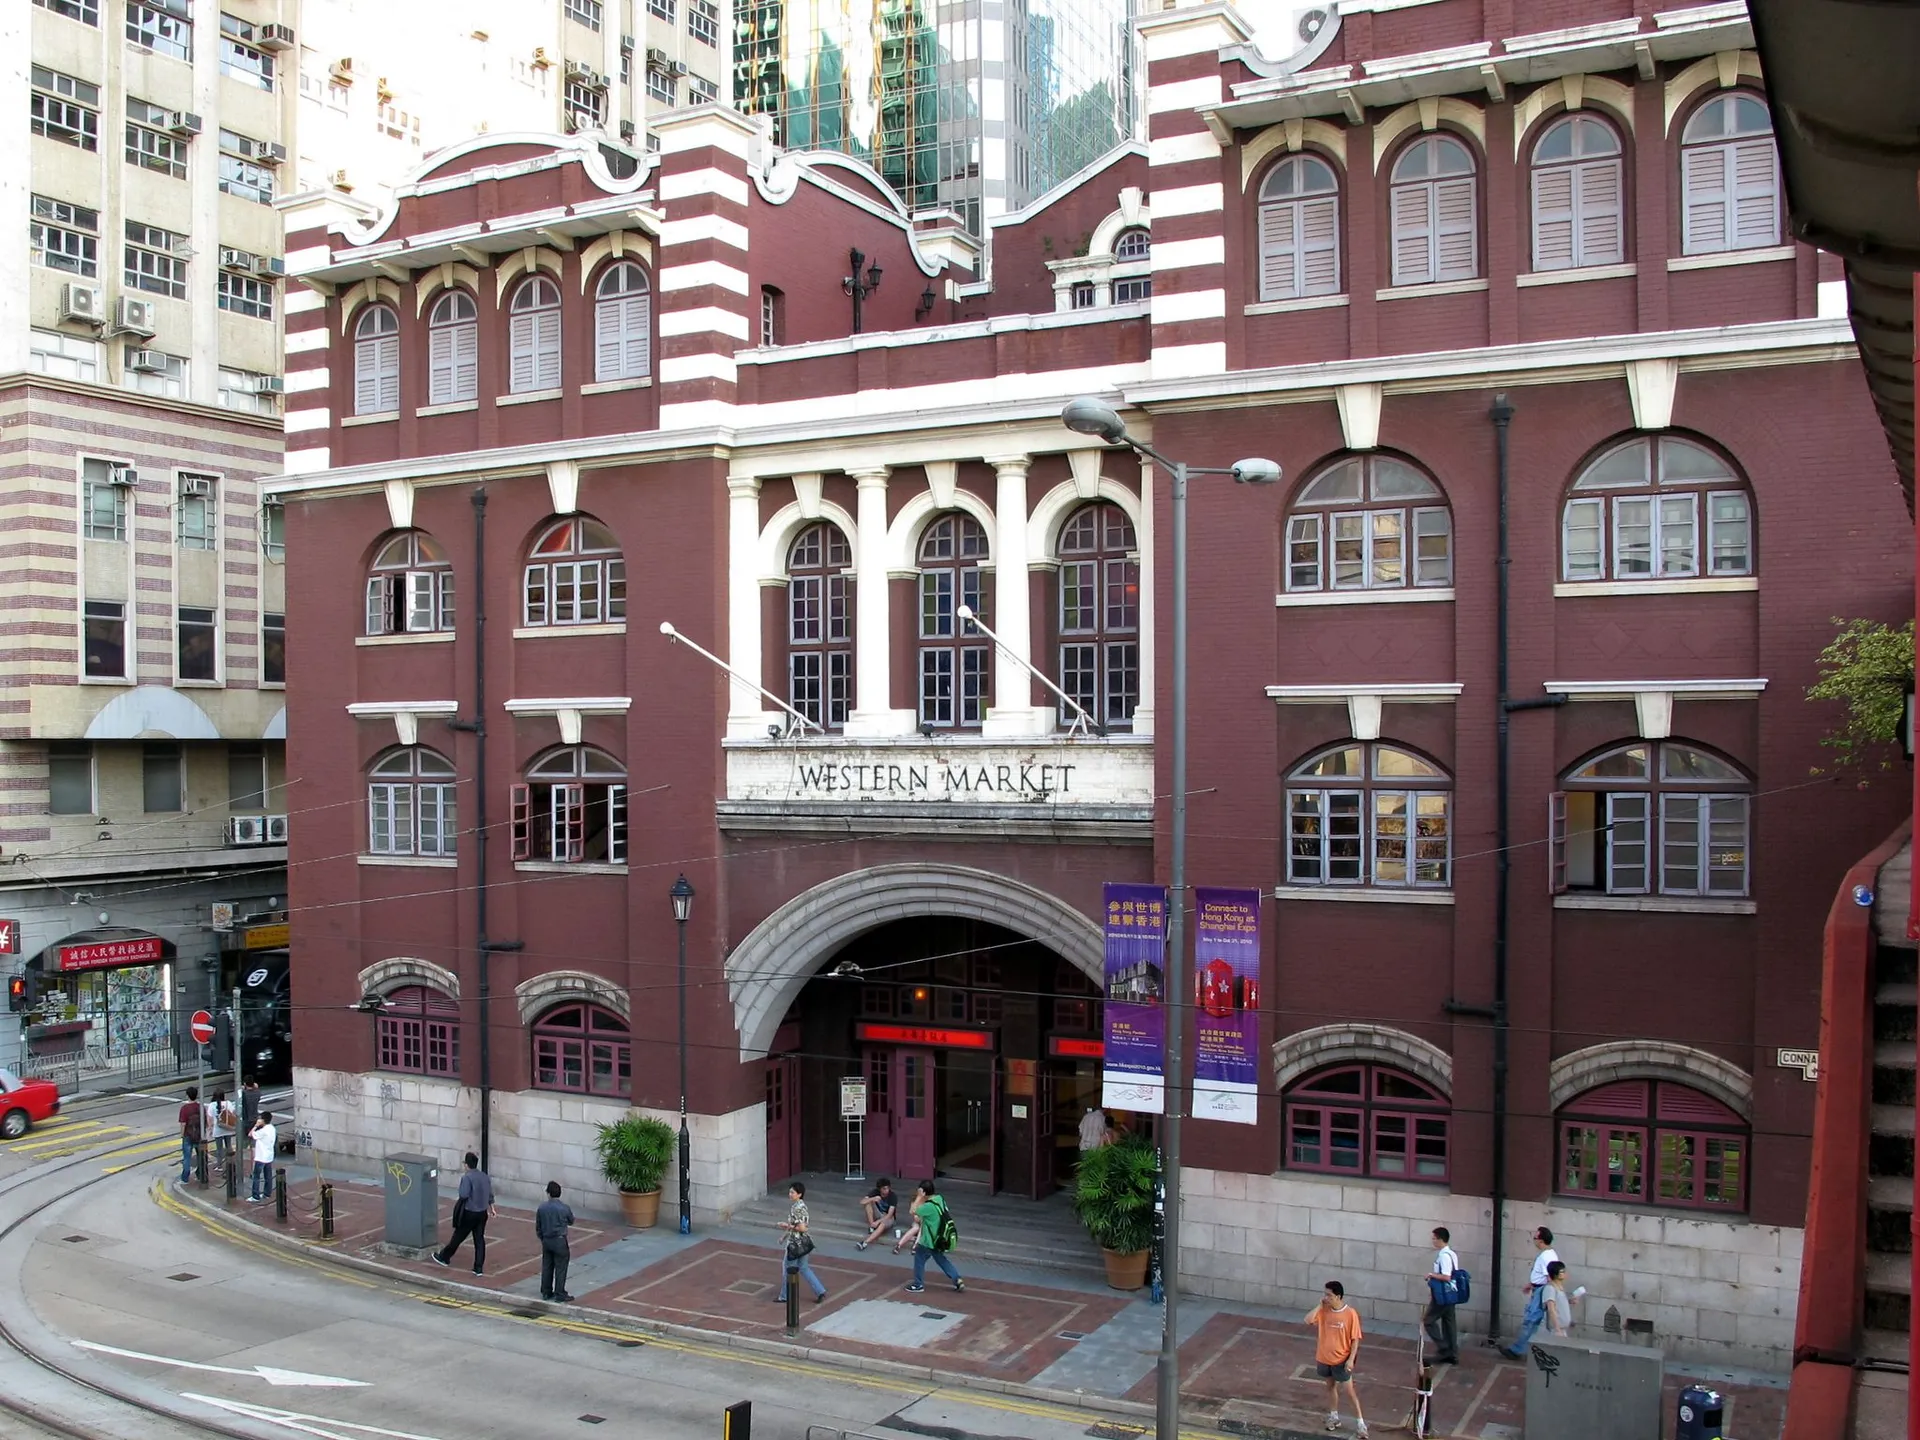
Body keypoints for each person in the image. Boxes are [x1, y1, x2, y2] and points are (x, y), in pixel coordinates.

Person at [1305, 1280, 1367, 1437]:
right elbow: (1308, 1320)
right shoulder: (1324, 1310)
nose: (1326, 1297)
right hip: (1324, 1358)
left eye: (1329, 1295)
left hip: (1341, 1360)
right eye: (1325, 1294)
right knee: (1330, 1387)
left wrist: (1350, 1359)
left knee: (1349, 1391)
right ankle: (1334, 1416)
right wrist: (1320, 1305)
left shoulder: (1350, 1314)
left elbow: (1355, 1339)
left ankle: (1360, 1423)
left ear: (1338, 1296)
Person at [892, 1179, 964, 1294]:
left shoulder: (928, 1207)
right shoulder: (939, 1199)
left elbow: (912, 1211)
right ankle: (957, 1279)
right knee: (941, 1260)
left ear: (924, 1192)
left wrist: (919, 1197)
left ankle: (918, 1284)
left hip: (930, 1240)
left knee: (919, 1259)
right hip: (940, 1238)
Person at [431, 1151, 497, 1276]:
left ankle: (444, 1257)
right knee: (479, 1239)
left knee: (458, 1236)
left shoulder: (467, 1177)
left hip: (470, 1212)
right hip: (482, 1213)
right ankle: (478, 1267)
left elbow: (464, 1194)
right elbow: (490, 1194)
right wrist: (492, 1208)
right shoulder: (484, 1176)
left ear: (466, 1165)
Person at [1503, 1227, 1559, 1358]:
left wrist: (1545, 1292)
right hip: (1539, 1288)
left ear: (1541, 1241)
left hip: (1541, 1291)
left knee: (1531, 1321)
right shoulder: (1549, 1254)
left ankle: (1517, 1350)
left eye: (1535, 1238)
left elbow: (1549, 1277)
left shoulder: (1546, 1256)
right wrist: (1531, 1284)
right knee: (1533, 1321)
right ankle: (1521, 1348)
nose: (1534, 1241)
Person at [776, 1181, 827, 1305]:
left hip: (795, 1243)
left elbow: (802, 1227)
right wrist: (783, 1236)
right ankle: (820, 1290)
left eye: (793, 1192)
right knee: (804, 1268)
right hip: (803, 1242)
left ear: (799, 1194)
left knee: (788, 1268)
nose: (790, 1194)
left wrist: (785, 1226)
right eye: (790, 1192)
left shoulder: (797, 1208)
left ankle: (784, 1296)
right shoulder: (800, 1206)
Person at [1423, 1226, 1460, 1365]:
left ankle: (1444, 1348)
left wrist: (1431, 1275)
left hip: (1443, 1294)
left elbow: (1446, 1276)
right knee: (1449, 1322)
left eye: (1434, 1238)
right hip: (1451, 1293)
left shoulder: (1444, 1256)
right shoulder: (1452, 1254)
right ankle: (1452, 1352)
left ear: (1440, 1239)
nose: (1432, 1241)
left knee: (1428, 1320)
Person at [536, 1181, 575, 1303]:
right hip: (559, 1240)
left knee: (547, 1266)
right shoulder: (564, 1208)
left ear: (548, 1193)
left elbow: (538, 1226)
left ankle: (546, 1291)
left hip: (547, 1240)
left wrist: (542, 1237)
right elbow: (571, 1220)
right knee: (561, 1267)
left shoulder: (542, 1207)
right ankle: (560, 1293)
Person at [856, 1177, 898, 1251]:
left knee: (883, 1224)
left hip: (888, 1217)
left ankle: (865, 1243)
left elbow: (890, 1214)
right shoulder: (875, 1192)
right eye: (884, 1189)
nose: (886, 1190)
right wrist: (873, 1198)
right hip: (878, 1213)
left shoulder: (892, 1196)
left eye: (887, 1188)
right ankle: (872, 1226)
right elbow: (862, 1201)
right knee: (867, 1204)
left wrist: (878, 1222)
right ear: (880, 1189)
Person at [246, 1110, 277, 1202]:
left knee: (256, 1176)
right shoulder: (272, 1128)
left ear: (263, 1120)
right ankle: (267, 1193)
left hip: (261, 1156)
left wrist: (256, 1125)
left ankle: (255, 1196)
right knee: (268, 1175)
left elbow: (250, 1134)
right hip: (269, 1155)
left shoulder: (263, 1131)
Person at [177, 1086, 203, 1185]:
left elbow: (183, 1124)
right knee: (201, 1156)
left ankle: (185, 1178)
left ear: (187, 1095)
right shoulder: (200, 1107)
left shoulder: (184, 1109)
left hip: (188, 1135)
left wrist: (182, 1135)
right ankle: (200, 1175)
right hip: (199, 1135)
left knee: (187, 1157)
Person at [1543, 1260, 1575, 1337]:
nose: (1565, 1273)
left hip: (1562, 1329)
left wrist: (1570, 1301)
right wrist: (1557, 1329)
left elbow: (1559, 1303)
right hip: (1556, 1330)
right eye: (1562, 1271)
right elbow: (1551, 1309)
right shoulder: (1550, 1288)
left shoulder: (1559, 1288)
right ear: (1556, 1274)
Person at [209, 1089, 237, 1168]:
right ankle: (231, 1163)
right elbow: (233, 1114)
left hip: (217, 1129)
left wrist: (210, 1130)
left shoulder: (212, 1105)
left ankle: (219, 1166)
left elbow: (210, 1119)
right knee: (229, 1146)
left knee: (219, 1149)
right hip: (227, 1128)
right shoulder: (228, 1103)